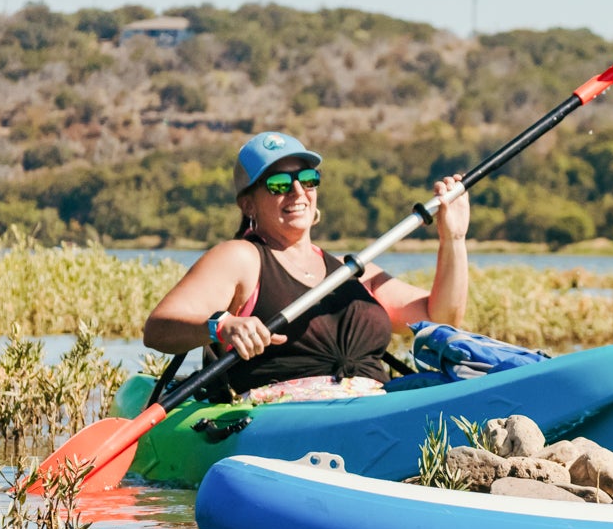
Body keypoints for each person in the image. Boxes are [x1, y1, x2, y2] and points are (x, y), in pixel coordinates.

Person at [144, 131, 470, 401]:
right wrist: (222, 325)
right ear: (248, 203)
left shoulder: (351, 269)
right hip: (288, 417)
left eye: (307, 179)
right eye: (278, 184)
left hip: (374, 403)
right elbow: (158, 329)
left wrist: (453, 239)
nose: (297, 191)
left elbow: (440, 318)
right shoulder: (241, 257)